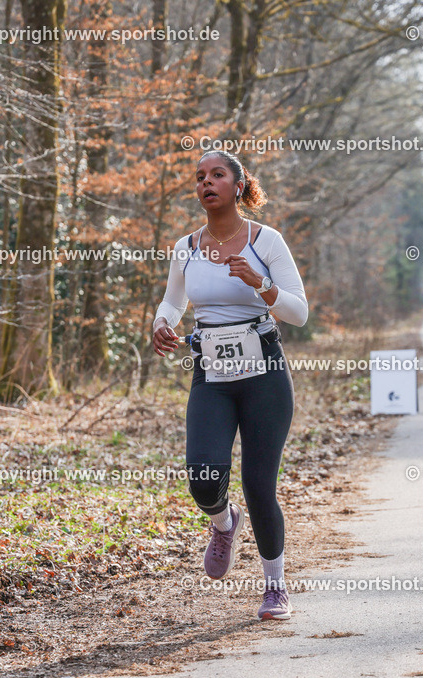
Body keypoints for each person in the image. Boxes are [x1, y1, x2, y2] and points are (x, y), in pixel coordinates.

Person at [151, 150, 308, 620]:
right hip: (212, 376)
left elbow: (299, 312)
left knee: (259, 484)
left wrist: (261, 284)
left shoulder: (267, 240)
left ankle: (275, 587)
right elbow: (172, 301)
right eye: (200, 177)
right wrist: (162, 324)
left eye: (217, 174)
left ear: (238, 186)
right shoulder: (187, 246)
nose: (206, 182)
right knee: (202, 478)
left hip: (264, 375)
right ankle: (224, 523)